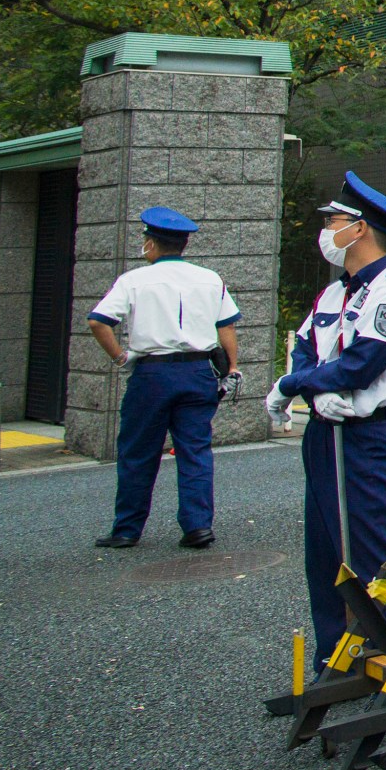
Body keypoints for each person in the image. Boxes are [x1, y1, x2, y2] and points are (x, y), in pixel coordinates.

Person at [266, 173, 386, 653]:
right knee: (324, 552)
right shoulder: (336, 292)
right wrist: (313, 393)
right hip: (326, 431)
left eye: (333, 221)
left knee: (375, 551)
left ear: (358, 229)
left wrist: (294, 386)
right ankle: (337, 659)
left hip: (373, 437)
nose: (326, 231)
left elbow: (362, 365)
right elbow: (303, 344)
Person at [89, 206, 240, 550]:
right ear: (183, 245)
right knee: (195, 450)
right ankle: (198, 527)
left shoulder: (134, 280)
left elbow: (98, 321)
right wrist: (231, 367)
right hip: (199, 371)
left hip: (152, 374)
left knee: (138, 451)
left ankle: (127, 529)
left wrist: (120, 357)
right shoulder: (210, 278)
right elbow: (226, 325)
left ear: (151, 244)